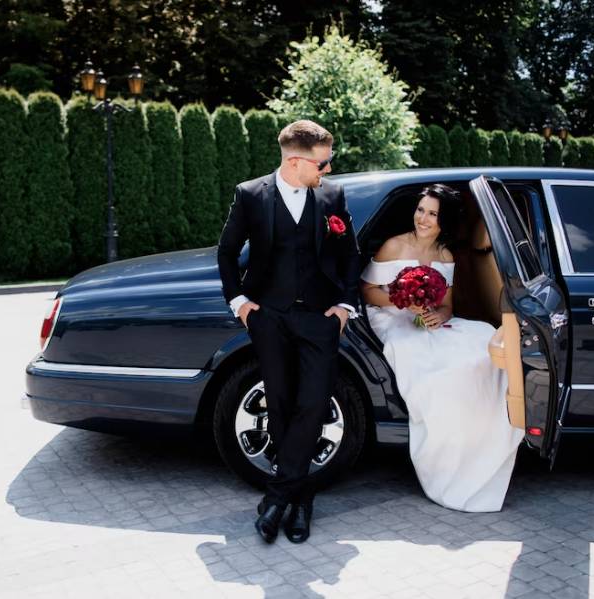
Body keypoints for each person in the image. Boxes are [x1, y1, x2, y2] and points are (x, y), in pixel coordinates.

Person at [217, 120, 360, 543]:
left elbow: (349, 252)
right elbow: (227, 253)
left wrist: (345, 306)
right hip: (270, 317)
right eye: (323, 162)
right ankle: (300, 503)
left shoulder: (331, 195)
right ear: (296, 161)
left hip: (319, 318)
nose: (328, 170)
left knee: (313, 403)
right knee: (279, 403)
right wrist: (240, 303)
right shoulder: (250, 195)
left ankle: (278, 497)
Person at [360, 184, 525, 512]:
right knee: (439, 372)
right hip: (390, 319)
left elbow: (447, 306)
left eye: (432, 214)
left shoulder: (445, 256)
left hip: (424, 320)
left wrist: (436, 316)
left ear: (444, 221)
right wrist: (402, 300)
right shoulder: (394, 246)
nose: (422, 218)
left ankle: (478, 443)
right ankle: (442, 454)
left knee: (481, 340)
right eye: (421, 210)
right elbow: (366, 291)